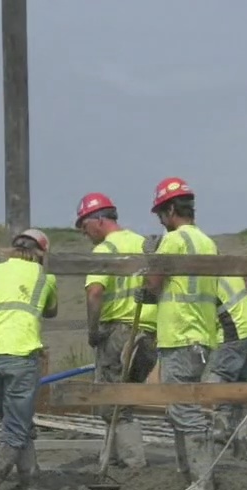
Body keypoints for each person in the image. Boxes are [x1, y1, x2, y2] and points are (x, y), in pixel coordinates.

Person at [0, 228, 58, 490]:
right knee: (16, 429)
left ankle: (32, 482)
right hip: (21, 357)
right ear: (41, 254)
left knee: (14, 424)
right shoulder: (44, 278)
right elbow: (50, 311)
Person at [142, 177, 221, 490]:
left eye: (161, 214)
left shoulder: (173, 242)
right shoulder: (208, 242)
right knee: (180, 406)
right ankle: (188, 474)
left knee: (184, 409)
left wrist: (151, 259)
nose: (161, 221)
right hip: (201, 333)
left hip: (180, 333)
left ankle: (201, 482)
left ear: (170, 210)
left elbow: (154, 284)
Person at [75, 192, 159, 471]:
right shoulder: (142, 244)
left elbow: (95, 292)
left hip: (120, 333)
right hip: (149, 333)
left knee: (115, 403)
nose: (85, 234)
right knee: (123, 399)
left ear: (98, 221)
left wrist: (92, 330)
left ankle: (134, 465)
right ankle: (111, 460)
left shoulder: (105, 250)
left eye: (85, 226)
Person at [207, 276, 247, 459]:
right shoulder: (225, 268)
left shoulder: (200, 276)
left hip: (235, 330)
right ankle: (239, 447)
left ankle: (220, 449)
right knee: (239, 385)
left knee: (219, 385)